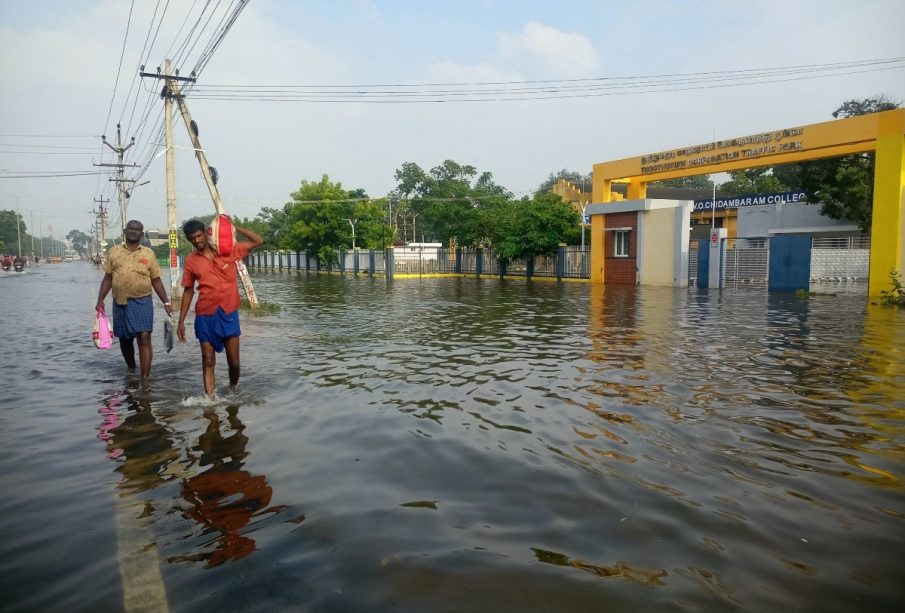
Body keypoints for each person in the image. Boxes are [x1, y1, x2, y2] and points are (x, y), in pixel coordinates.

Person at [177, 218, 263, 396]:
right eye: (192, 238)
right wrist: (181, 321)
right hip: (205, 315)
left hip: (228, 313)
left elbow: (258, 241)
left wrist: (233, 228)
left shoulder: (228, 251)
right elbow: (188, 291)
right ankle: (210, 401)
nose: (197, 241)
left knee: (234, 363)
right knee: (208, 361)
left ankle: (232, 390)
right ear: (188, 239)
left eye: (199, 236)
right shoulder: (191, 261)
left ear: (206, 233)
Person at [95, 220, 172, 378]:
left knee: (144, 337)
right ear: (125, 231)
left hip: (142, 301)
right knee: (124, 339)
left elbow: (156, 280)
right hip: (120, 302)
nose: (134, 231)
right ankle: (131, 369)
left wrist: (166, 301)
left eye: (137, 230)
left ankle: (144, 378)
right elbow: (108, 278)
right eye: (131, 228)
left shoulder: (148, 254)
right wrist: (100, 299)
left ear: (141, 234)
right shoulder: (114, 252)